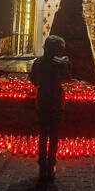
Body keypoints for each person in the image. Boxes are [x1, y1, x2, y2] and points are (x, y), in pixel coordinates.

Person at [31, 35, 71, 182]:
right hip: (56, 100)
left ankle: (42, 165)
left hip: (42, 100)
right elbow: (67, 79)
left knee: (42, 133)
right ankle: (51, 164)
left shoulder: (38, 62)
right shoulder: (61, 63)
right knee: (54, 134)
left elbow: (34, 81)